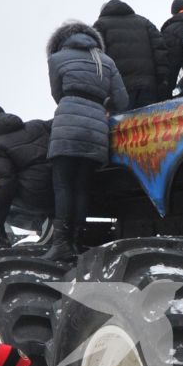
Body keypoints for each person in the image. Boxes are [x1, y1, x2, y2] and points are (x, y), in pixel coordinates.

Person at [43, 20, 130, 265]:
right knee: (82, 186)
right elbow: (122, 101)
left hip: (67, 121)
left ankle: (60, 244)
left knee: (62, 185)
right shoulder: (106, 61)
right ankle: (76, 241)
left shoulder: (57, 59)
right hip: (96, 127)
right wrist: (102, 105)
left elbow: (57, 94)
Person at [0, 103, 53, 245]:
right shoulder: (37, 125)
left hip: (38, 201)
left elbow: (4, 186)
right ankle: (45, 223)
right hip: (56, 193)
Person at [92, 0, 169, 110]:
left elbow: (96, 60)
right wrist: (162, 82)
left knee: (122, 126)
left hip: (119, 91)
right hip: (148, 88)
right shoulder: (145, 22)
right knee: (150, 124)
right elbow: (161, 52)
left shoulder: (100, 25)